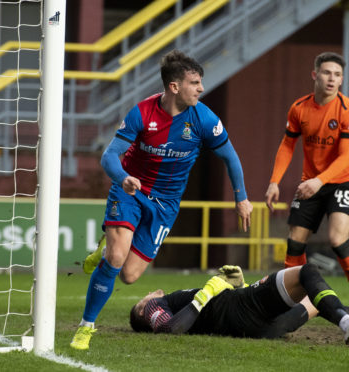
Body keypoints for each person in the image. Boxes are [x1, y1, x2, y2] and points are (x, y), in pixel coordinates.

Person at [70, 50, 254, 350]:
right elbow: (109, 156)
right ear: (174, 87)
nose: (201, 89)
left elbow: (230, 157)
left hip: (166, 204)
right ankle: (86, 326)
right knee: (117, 259)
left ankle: (105, 249)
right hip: (131, 190)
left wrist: (241, 198)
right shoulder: (141, 113)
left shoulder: (204, 118)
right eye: (194, 82)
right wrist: (123, 179)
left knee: (129, 275)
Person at [264, 52, 349, 314]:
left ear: (341, 79)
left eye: (336, 75)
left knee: (337, 238)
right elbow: (287, 145)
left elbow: (347, 157)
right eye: (326, 73)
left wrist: (319, 181)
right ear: (315, 75)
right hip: (311, 182)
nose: (331, 79)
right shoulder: (299, 108)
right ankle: (290, 299)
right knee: (295, 241)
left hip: (342, 180)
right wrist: (274, 182)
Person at [129, 263, 349, 343]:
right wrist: (206, 293)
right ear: (142, 309)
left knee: (319, 301)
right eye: (144, 299)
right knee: (307, 273)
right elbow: (169, 331)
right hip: (244, 309)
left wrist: (234, 285)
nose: (150, 294)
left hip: (263, 328)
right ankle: (346, 324)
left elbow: (205, 316)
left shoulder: (170, 303)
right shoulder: (155, 307)